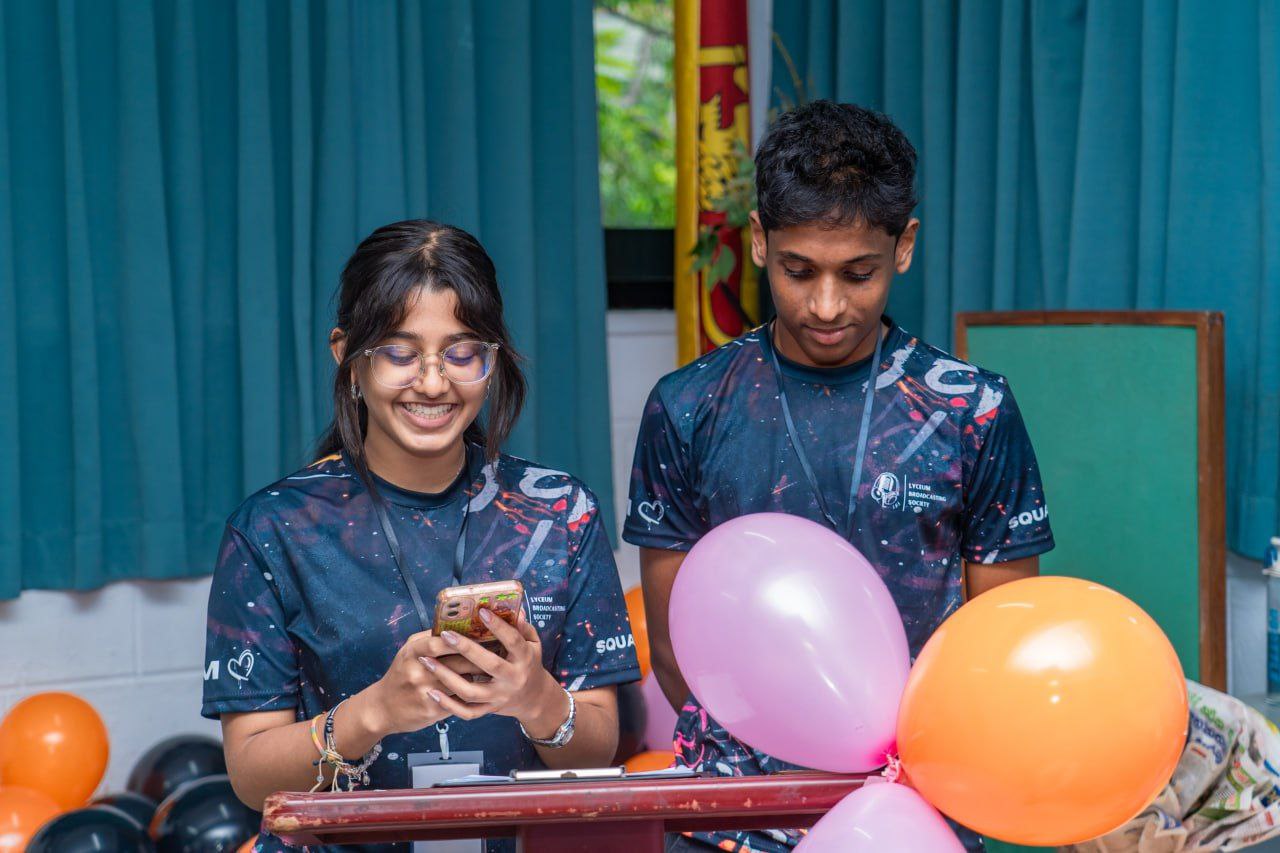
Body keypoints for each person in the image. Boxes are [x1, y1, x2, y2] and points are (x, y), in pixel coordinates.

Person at [625, 101, 1055, 852]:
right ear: (759, 242)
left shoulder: (971, 410)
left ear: (904, 247)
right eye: (799, 271)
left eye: (858, 273)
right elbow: (672, 648)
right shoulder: (687, 405)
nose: (827, 305)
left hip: (918, 805)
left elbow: (999, 646)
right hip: (735, 811)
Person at [203, 220, 639, 852]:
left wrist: (536, 696)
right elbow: (249, 774)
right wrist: (375, 712)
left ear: (492, 358)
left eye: (462, 353)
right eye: (400, 354)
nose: (434, 383)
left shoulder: (561, 513)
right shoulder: (273, 528)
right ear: (347, 357)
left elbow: (601, 746)